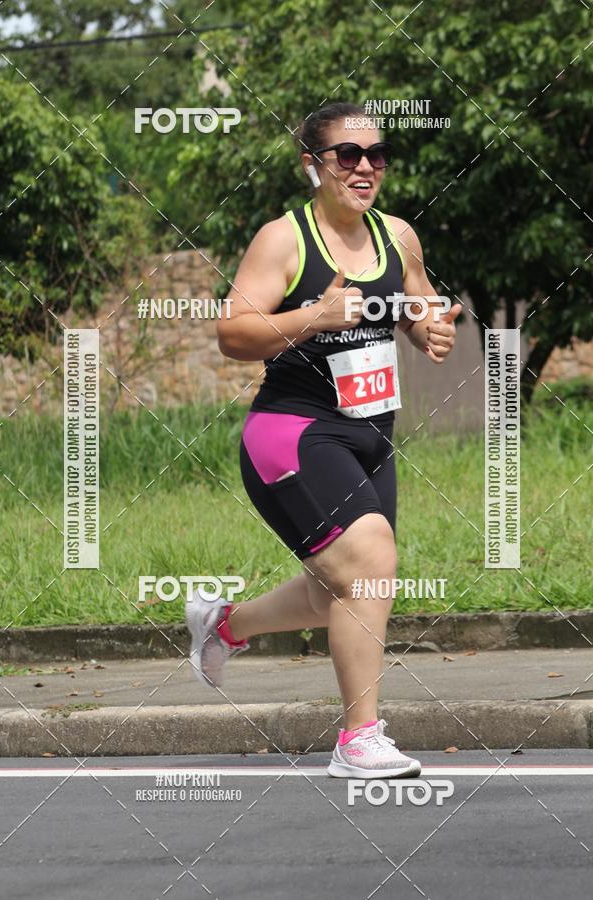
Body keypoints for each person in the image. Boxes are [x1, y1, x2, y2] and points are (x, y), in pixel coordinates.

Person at [186, 102, 461, 778]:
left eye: (375, 154)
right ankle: (358, 740)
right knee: (368, 560)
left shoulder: (397, 236)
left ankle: (223, 625)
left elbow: (417, 298)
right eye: (347, 155)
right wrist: (312, 316)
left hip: (370, 436)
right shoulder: (284, 239)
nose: (364, 167)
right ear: (313, 164)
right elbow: (232, 334)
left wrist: (427, 328)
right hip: (292, 430)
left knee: (336, 590)